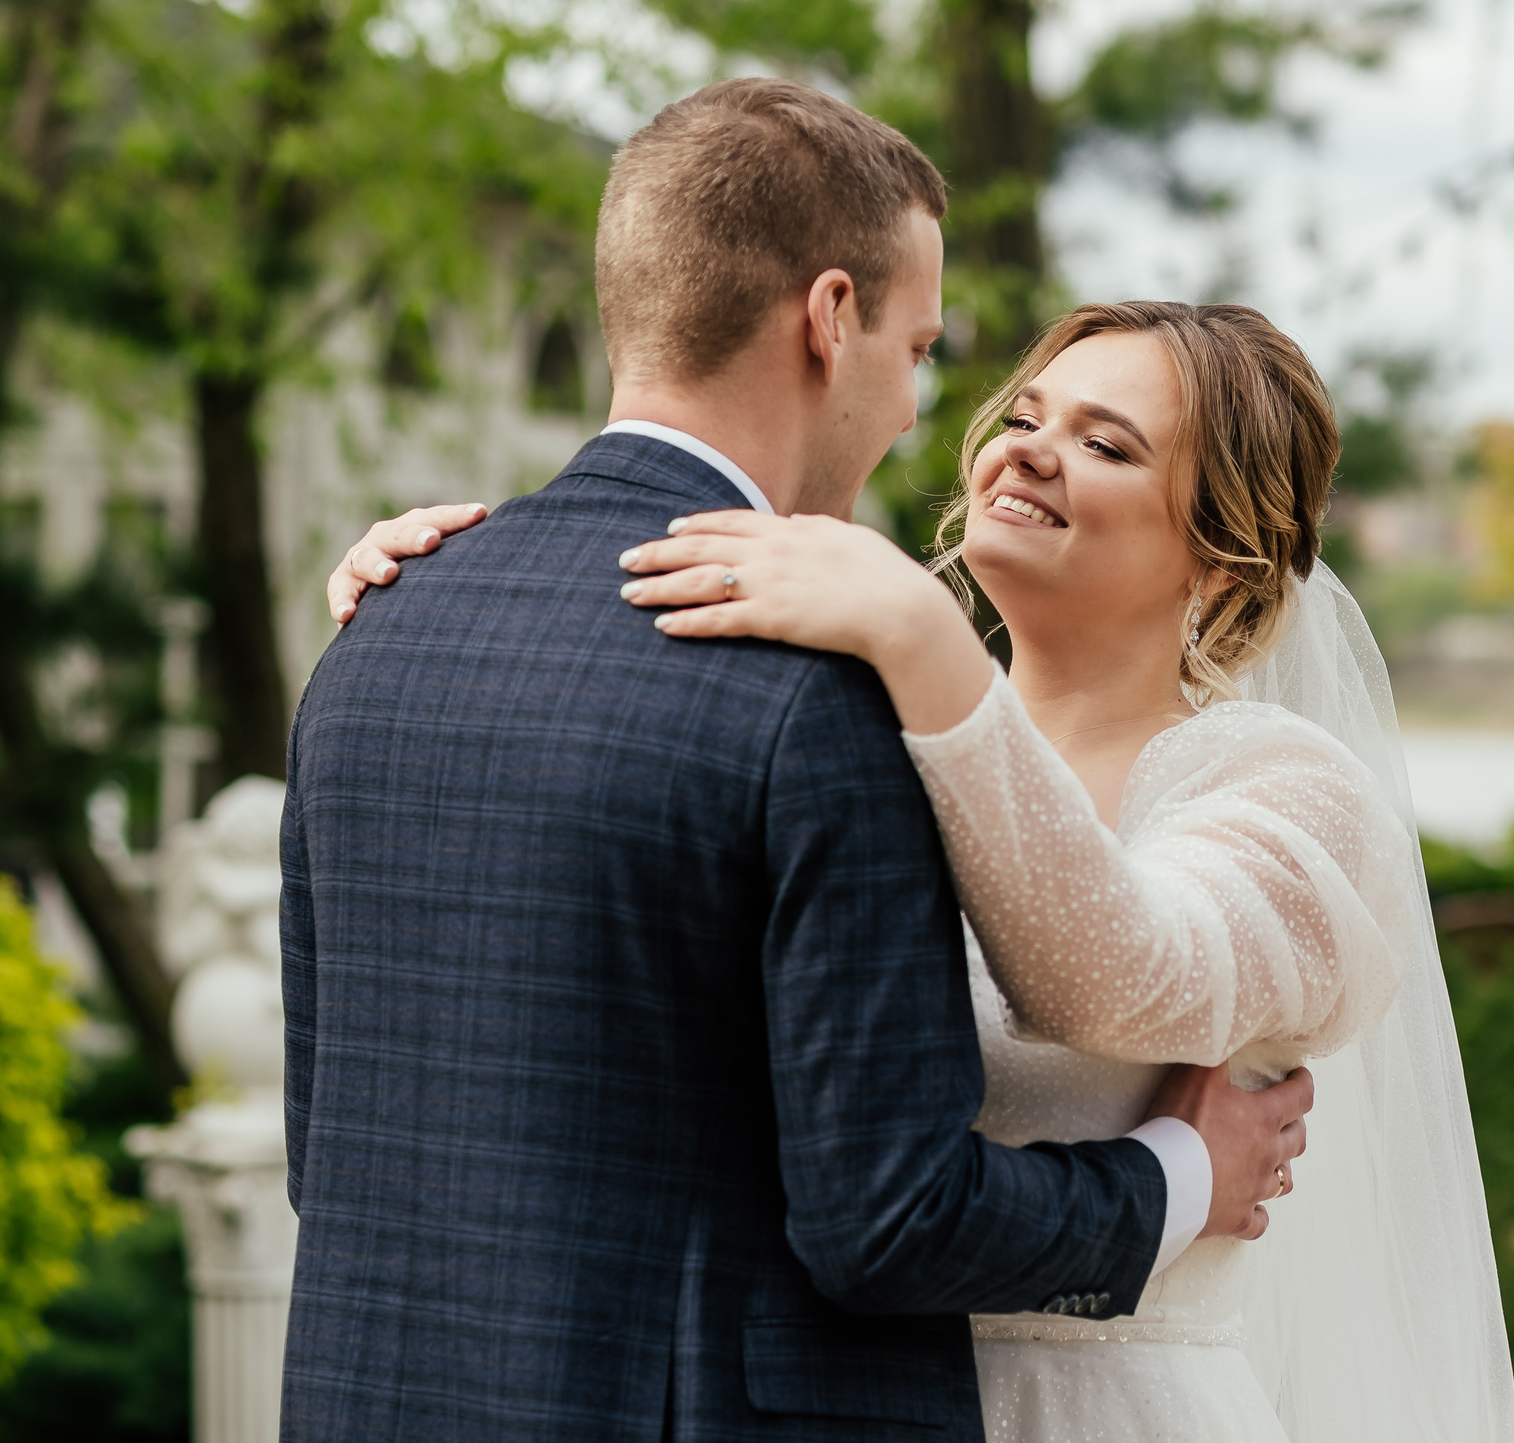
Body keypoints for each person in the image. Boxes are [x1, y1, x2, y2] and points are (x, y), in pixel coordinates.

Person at [280, 78, 1317, 1443]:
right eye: (925, 351)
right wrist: (1182, 1170)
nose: (918, 415)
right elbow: (887, 1221)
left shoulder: (382, 620)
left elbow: (331, 1151)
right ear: (832, 320)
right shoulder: (815, 695)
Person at [336, 295, 1514, 1440]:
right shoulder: (861, 735)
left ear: (1223, 562)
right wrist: (444, 600)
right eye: (1023, 417)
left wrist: (918, 630)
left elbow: (1119, 976)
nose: (1033, 454)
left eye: (1104, 443)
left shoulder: (1280, 788)